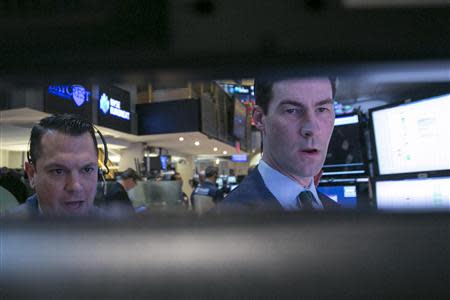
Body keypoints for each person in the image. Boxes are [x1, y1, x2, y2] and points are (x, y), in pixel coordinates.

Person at [216, 77, 341, 212]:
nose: (312, 129)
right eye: (291, 110)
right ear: (259, 119)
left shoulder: (342, 217)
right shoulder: (222, 224)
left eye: (322, 109)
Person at [8, 114, 105, 218]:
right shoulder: (6, 230)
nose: (75, 186)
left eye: (87, 169)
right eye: (58, 171)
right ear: (31, 175)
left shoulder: (115, 228)